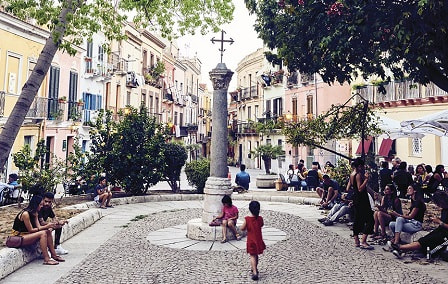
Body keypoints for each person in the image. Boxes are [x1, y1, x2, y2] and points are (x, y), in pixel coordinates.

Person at [390, 190, 448, 258]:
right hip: (441, 230)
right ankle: (401, 249)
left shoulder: (418, 204)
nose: (438, 205)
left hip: (445, 235)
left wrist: (439, 222)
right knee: (424, 239)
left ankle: (400, 247)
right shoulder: (444, 210)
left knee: (427, 241)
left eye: (438, 203)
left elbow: (443, 223)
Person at [10, 195, 64, 265]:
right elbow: (31, 230)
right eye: (40, 204)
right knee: (43, 233)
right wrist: (47, 226)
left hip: (27, 235)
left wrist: (49, 226)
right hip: (19, 236)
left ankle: (54, 255)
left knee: (47, 232)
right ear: (36, 205)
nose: (42, 206)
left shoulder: (35, 213)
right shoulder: (25, 214)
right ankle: (46, 259)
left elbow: (38, 226)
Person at [351, 157, 375, 250]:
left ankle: (356, 240)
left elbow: (349, 187)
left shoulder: (352, 174)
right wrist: (366, 179)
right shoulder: (358, 175)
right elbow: (360, 188)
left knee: (357, 219)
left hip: (356, 198)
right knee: (370, 220)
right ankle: (363, 241)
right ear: (360, 166)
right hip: (362, 199)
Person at [240, 200, 266, 281]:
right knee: (256, 255)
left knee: (252, 255)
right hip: (258, 239)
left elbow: (242, 228)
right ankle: (255, 268)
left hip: (251, 240)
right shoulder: (260, 219)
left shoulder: (247, 219)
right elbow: (261, 225)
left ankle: (254, 272)